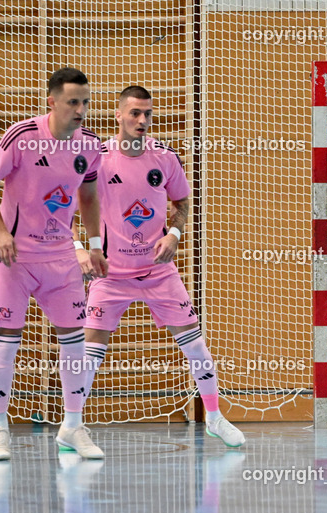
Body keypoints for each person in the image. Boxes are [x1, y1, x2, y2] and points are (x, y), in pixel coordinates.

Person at [78, 85, 244, 448]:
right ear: (118, 114)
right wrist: (79, 248)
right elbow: (72, 208)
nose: (142, 120)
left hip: (158, 271)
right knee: (88, 349)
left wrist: (174, 234)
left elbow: (183, 203)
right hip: (111, 274)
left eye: (147, 114)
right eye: (135, 113)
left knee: (196, 345)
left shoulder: (164, 158)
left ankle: (214, 417)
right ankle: (72, 425)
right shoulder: (98, 158)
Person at [0, 67, 107, 460]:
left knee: (74, 344)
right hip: (14, 258)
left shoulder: (89, 145)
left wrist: (93, 245)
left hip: (61, 261)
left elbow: (89, 196)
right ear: (52, 101)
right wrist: (1, 231)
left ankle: (73, 426)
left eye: (86, 102)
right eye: (73, 102)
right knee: (7, 343)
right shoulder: (22, 137)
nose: (81, 110)